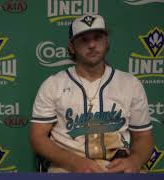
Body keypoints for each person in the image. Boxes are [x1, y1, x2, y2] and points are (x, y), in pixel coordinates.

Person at [30, 14, 154, 173]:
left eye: (98, 37)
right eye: (83, 40)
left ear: (106, 41)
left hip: (117, 166)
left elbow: (143, 136)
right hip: (67, 166)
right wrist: (73, 161)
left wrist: (135, 161)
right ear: (71, 47)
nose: (92, 45)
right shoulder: (53, 85)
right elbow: (37, 137)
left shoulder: (130, 84)